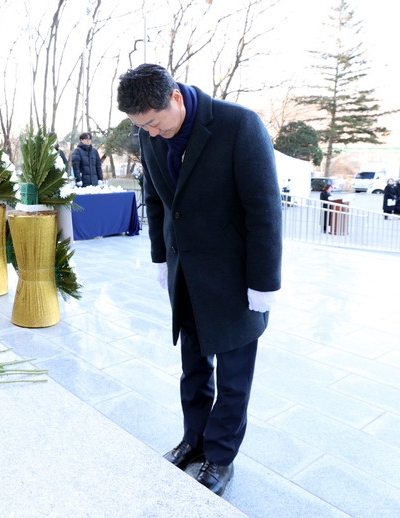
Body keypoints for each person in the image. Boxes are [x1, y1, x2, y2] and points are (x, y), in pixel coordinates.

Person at [116, 64, 282, 496]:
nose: (151, 133)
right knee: (192, 366)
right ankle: (194, 440)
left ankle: (220, 457)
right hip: (185, 274)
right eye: (142, 127)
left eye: (154, 122)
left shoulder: (238, 124)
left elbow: (264, 208)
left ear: (175, 97)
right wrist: (160, 257)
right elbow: (155, 199)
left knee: (233, 376)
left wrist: (264, 281)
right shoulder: (150, 133)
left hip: (235, 277)